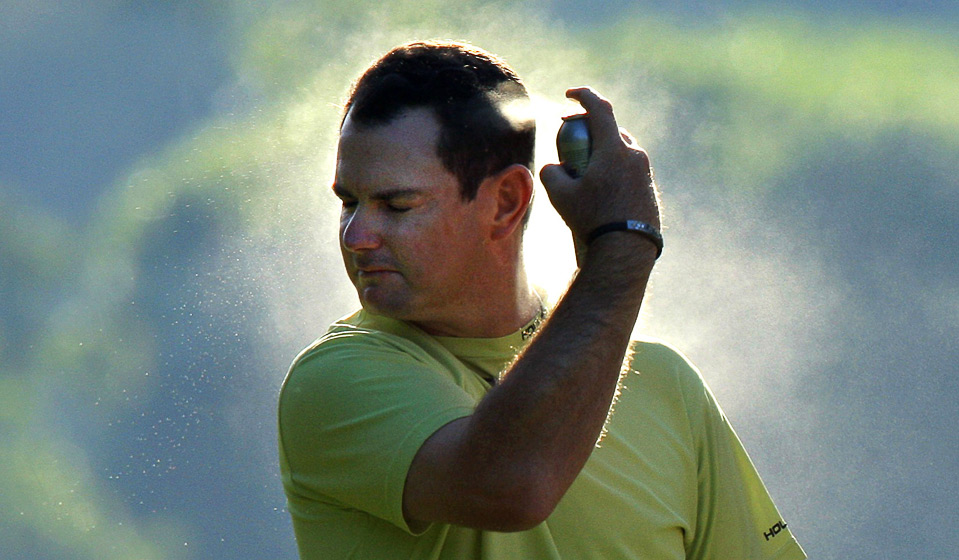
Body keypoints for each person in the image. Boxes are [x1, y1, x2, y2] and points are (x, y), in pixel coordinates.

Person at [277, 40, 806, 559]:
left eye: (396, 205)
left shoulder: (667, 385)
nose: (355, 236)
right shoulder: (334, 378)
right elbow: (511, 483)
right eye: (348, 202)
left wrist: (617, 252)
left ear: (506, 202)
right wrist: (621, 247)